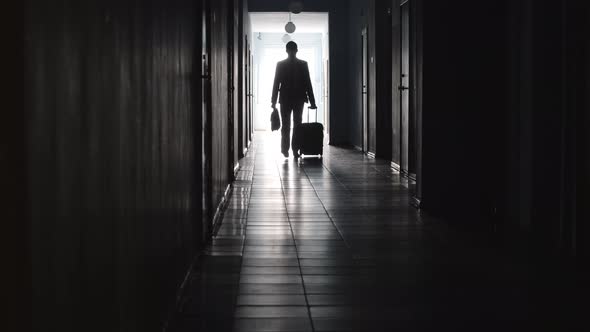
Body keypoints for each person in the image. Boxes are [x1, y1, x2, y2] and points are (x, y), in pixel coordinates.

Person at [271, 41, 317, 159]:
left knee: (286, 125)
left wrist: (273, 101)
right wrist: (312, 102)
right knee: (297, 125)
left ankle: (285, 149)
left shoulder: (280, 64)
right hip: (299, 99)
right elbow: (308, 84)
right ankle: (295, 150)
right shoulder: (303, 64)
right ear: (297, 50)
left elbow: (276, 83)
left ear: (286, 50)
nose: (291, 52)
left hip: (285, 99)